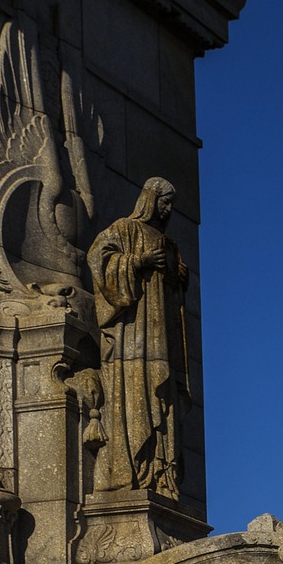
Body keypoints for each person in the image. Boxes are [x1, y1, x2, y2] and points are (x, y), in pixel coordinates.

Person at [86, 177, 190, 498]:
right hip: (135, 334)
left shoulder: (170, 244)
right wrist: (139, 262)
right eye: (164, 200)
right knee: (138, 393)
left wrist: (178, 276)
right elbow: (98, 259)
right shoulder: (125, 229)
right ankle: (137, 468)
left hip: (163, 337)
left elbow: (177, 287)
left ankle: (162, 473)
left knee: (165, 400)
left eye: (171, 202)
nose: (168, 208)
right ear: (150, 199)